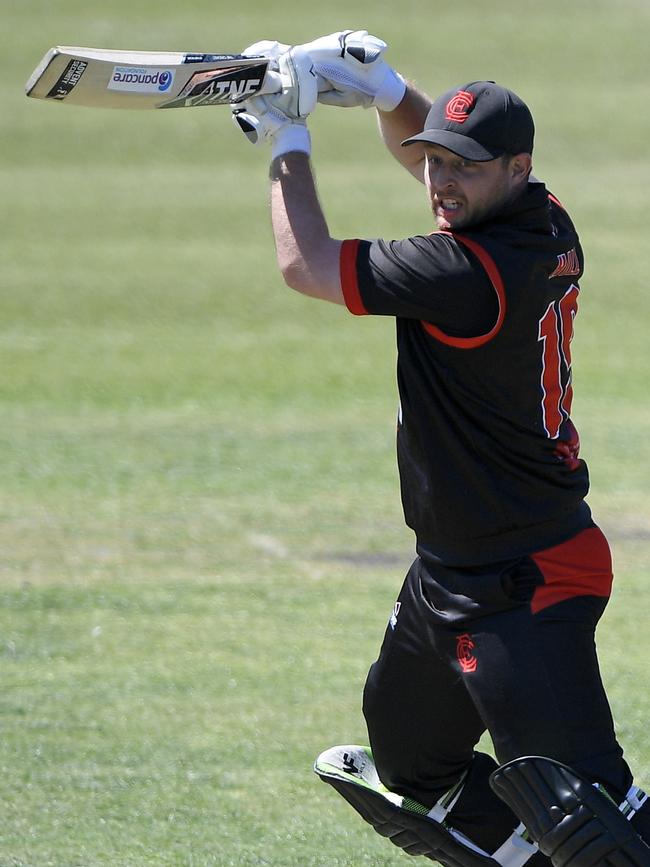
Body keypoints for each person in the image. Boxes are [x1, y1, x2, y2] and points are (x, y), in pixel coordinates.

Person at [231, 31, 650, 866]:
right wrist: (385, 89)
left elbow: (306, 265)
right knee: (408, 761)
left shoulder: (464, 277)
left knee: (593, 817)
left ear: (516, 169)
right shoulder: (544, 219)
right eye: (433, 161)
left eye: (463, 167)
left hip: (528, 575)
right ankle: (516, 845)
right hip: (447, 572)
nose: (440, 182)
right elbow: (446, 159)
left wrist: (286, 135)